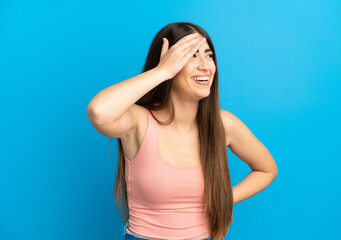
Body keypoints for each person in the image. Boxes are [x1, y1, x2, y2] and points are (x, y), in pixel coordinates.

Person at [86, 22, 278, 240]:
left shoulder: (224, 124)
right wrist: (162, 71)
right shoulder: (139, 121)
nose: (206, 66)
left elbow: (266, 169)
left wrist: (225, 200)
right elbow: (98, 111)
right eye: (192, 56)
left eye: (209, 55)